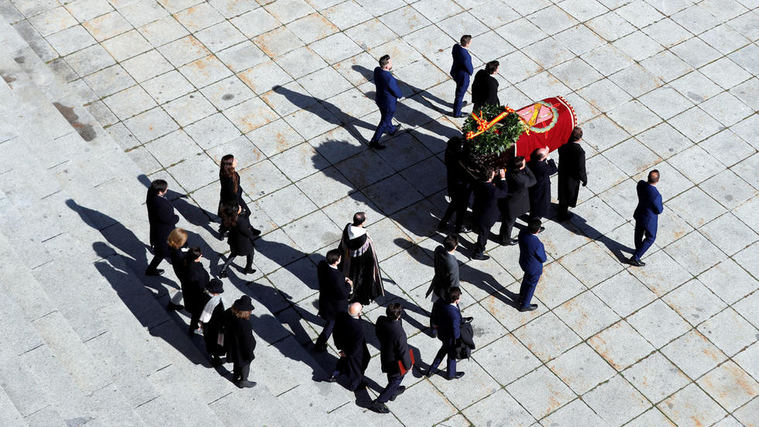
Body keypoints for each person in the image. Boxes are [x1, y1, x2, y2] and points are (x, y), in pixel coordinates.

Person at [370, 303, 412, 414]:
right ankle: (380, 401)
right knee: (396, 379)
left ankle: (393, 392)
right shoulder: (400, 333)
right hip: (395, 360)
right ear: (399, 316)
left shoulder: (381, 320)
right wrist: (408, 365)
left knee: (392, 375)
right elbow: (403, 352)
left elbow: (378, 332)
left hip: (386, 354)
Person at [338, 212, 384, 304]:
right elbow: (370, 258)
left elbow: (342, 246)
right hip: (359, 266)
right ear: (363, 222)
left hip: (347, 261)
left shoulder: (347, 228)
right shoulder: (363, 239)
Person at [313, 249, 352, 352]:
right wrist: (349, 284)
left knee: (331, 322)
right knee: (330, 324)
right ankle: (319, 344)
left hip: (326, 300)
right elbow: (343, 293)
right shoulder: (337, 277)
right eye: (339, 258)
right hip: (335, 307)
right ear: (336, 261)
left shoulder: (322, 266)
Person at [424, 287, 464, 380]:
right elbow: (455, 329)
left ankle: (431, 369)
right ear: (456, 300)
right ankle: (451, 374)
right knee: (452, 355)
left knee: (443, 350)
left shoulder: (441, 303)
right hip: (450, 337)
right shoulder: (454, 314)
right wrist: (457, 340)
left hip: (442, 333)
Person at [330, 302, 370, 391]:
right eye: (361, 309)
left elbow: (335, 331)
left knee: (343, 360)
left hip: (343, 345)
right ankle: (354, 385)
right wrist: (347, 353)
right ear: (359, 313)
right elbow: (356, 346)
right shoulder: (358, 327)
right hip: (353, 352)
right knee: (357, 368)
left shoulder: (341, 316)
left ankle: (336, 373)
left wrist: (340, 347)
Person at [218, 154, 260, 239]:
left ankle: (248, 228)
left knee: (231, 217)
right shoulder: (230, 179)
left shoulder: (226, 172)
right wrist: (237, 208)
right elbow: (231, 196)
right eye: (234, 160)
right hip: (231, 202)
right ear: (230, 165)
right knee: (232, 218)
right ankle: (224, 231)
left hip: (233, 199)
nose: (236, 160)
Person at [471, 168, 508, 260]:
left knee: (481, 230)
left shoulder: (478, 183)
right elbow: (503, 193)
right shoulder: (492, 190)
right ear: (490, 178)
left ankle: (479, 246)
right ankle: (478, 252)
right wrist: (503, 178)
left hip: (478, 210)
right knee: (483, 235)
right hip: (487, 216)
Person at [500, 156, 537, 245]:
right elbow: (533, 180)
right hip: (514, 204)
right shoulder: (522, 180)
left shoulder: (508, 170)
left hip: (507, 199)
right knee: (509, 223)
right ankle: (505, 240)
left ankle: (502, 236)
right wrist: (526, 168)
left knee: (506, 221)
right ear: (520, 167)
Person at [145, 179, 179, 276]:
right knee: (161, 253)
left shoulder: (151, 192)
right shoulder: (161, 205)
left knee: (163, 249)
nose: (167, 190)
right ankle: (150, 270)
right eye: (166, 189)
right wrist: (176, 218)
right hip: (164, 232)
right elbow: (168, 220)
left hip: (156, 227)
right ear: (160, 192)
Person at [438, 136, 472, 233]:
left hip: (453, 185)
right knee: (461, 208)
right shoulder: (458, 159)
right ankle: (459, 226)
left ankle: (443, 223)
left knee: (453, 205)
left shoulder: (449, 153)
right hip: (461, 187)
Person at [630, 170, 663, 267]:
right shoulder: (656, 195)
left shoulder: (640, 184)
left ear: (648, 177)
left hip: (640, 213)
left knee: (638, 232)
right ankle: (635, 257)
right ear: (657, 180)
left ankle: (638, 249)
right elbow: (659, 210)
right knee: (650, 238)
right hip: (649, 219)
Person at [369, 55, 402, 149]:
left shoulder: (377, 70)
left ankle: (391, 130)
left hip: (379, 99)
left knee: (386, 117)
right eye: (390, 62)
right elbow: (397, 93)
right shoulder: (390, 79)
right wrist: (400, 95)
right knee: (383, 122)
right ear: (387, 66)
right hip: (388, 104)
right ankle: (374, 141)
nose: (392, 63)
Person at [224, 295, 256, 388]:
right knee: (245, 363)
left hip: (232, 345)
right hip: (242, 349)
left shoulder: (230, 313)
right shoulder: (245, 324)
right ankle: (243, 381)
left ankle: (235, 377)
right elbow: (247, 341)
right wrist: (249, 354)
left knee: (236, 362)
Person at [219, 203, 256, 278]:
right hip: (243, 244)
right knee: (251, 254)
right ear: (236, 212)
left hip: (233, 241)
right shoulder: (241, 221)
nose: (240, 207)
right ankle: (248, 268)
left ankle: (223, 269)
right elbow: (248, 233)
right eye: (239, 207)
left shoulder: (228, 219)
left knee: (233, 254)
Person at [557, 127, 587, 221]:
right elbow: (581, 168)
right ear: (580, 138)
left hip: (563, 172)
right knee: (569, 193)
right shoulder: (580, 152)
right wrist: (584, 179)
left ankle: (561, 207)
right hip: (572, 176)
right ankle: (563, 214)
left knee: (562, 191)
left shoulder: (564, 145)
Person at [516, 220, 547, 312]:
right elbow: (543, 258)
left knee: (526, 279)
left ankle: (521, 296)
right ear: (538, 230)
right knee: (531, 285)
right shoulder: (537, 244)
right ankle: (525, 305)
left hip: (524, 262)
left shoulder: (522, 233)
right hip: (533, 268)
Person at [200, 278, 226, 366]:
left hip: (208, 326)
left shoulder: (204, 294)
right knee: (217, 343)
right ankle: (216, 358)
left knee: (210, 340)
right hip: (216, 327)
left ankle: (214, 354)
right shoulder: (215, 302)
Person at [528, 147, 558, 223]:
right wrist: (549, 157)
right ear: (543, 158)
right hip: (541, 188)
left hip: (533, 185)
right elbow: (554, 169)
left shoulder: (531, 162)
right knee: (539, 205)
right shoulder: (543, 167)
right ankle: (534, 220)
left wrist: (545, 154)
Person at [184, 247, 210, 335]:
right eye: (200, 255)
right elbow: (202, 285)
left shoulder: (188, 263)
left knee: (196, 315)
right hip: (197, 298)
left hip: (189, 293)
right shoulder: (198, 273)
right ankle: (193, 329)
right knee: (196, 315)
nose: (201, 255)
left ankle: (193, 328)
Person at [426, 235, 460, 301]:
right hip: (446, 291)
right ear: (455, 247)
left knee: (435, 303)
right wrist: (456, 295)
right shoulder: (453, 264)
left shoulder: (438, 249)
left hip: (437, 283)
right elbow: (454, 282)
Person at [450, 35, 473, 118]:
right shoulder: (466, 56)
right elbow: (470, 69)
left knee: (459, 91)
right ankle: (457, 113)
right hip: (463, 76)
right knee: (460, 94)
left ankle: (458, 105)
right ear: (467, 43)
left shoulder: (456, 47)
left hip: (455, 71)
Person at [166, 228, 188, 311]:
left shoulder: (172, 246)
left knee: (184, 288)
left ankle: (173, 303)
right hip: (183, 272)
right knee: (185, 289)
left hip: (179, 270)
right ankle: (173, 304)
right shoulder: (178, 254)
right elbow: (185, 264)